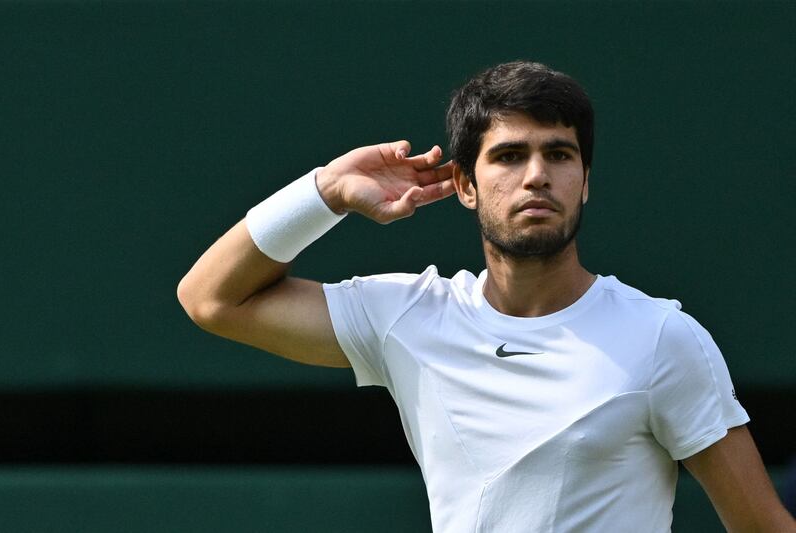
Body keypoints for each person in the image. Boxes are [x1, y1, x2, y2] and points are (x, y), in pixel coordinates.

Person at [177, 61, 795, 532]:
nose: (536, 176)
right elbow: (210, 299)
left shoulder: (663, 338)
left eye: (559, 154)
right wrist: (327, 191)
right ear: (465, 185)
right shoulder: (409, 317)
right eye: (508, 156)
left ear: (584, 184)